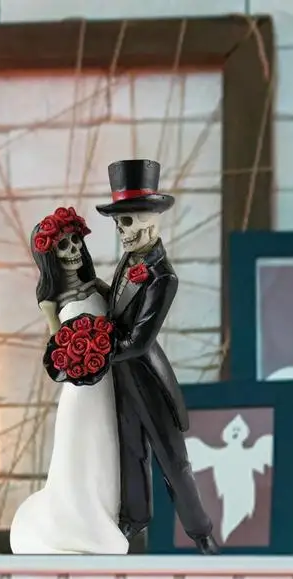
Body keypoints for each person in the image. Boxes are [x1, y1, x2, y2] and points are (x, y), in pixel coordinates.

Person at [96, 159, 220, 555]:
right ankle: (134, 519)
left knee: (172, 461)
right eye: (118, 224)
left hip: (147, 380)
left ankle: (200, 532)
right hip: (122, 380)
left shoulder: (163, 277)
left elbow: (138, 341)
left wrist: (95, 353)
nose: (122, 232)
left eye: (128, 222)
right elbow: (117, 306)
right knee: (130, 451)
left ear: (151, 221)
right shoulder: (129, 260)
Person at [9, 207, 129, 555]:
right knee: (81, 449)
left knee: (105, 449)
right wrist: (76, 353)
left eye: (76, 241)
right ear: (50, 257)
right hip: (80, 390)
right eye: (64, 246)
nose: (74, 249)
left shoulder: (97, 287)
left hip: (107, 385)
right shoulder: (52, 301)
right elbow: (57, 347)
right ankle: (78, 522)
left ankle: (105, 512)